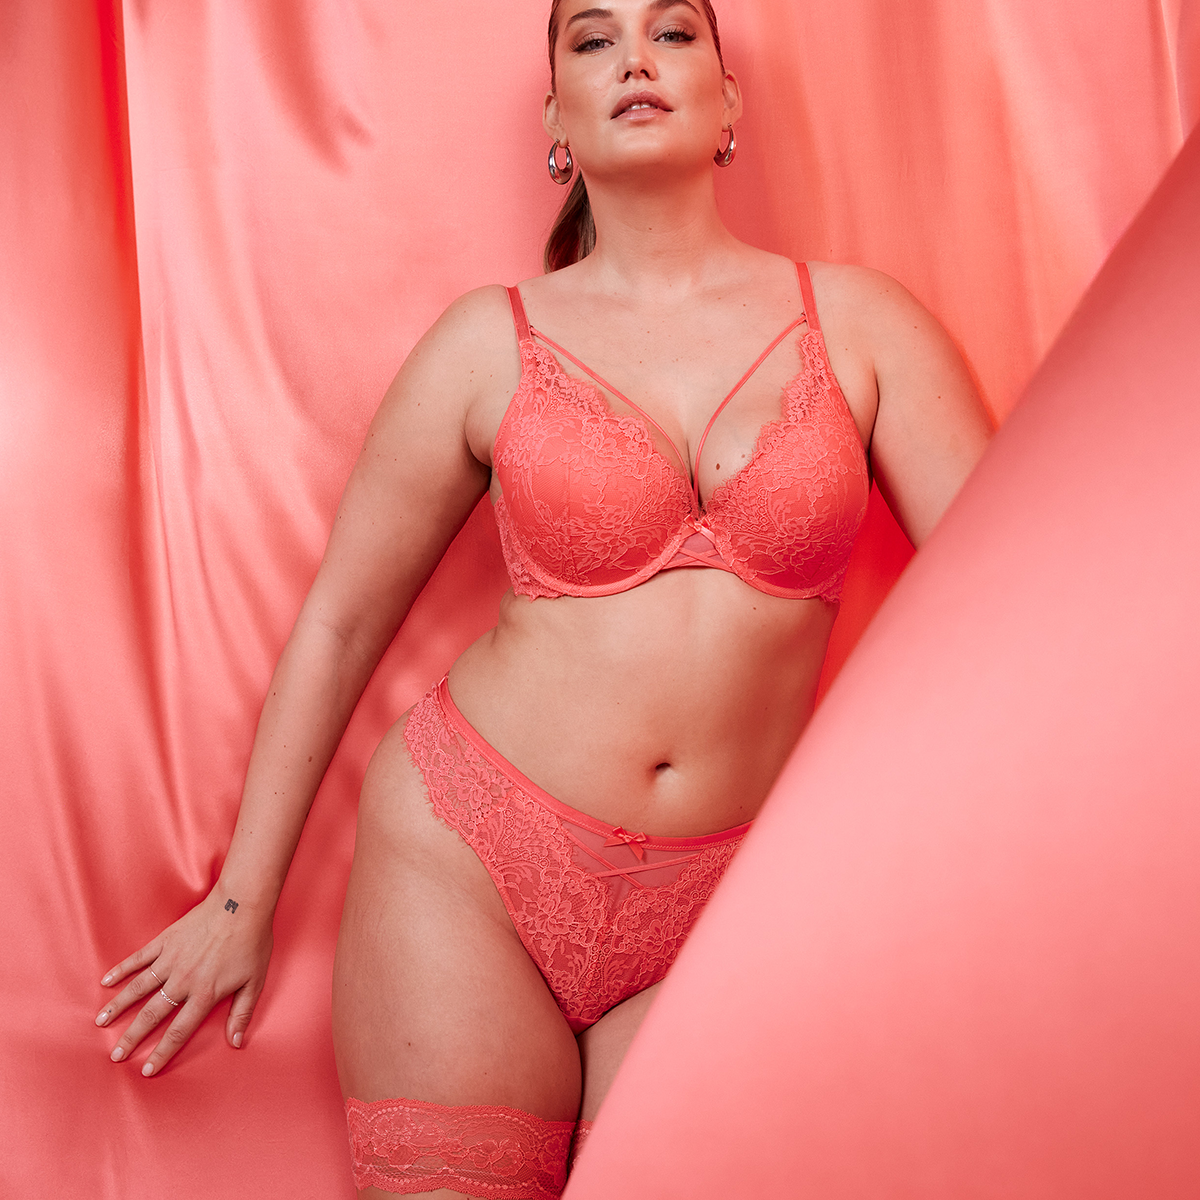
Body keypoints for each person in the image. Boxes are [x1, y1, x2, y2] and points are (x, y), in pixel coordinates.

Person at [94, 0, 992, 1195]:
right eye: (593, 39)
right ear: (556, 123)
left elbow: (1003, 607)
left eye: (674, 32)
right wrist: (239, 903)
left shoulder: (864, 325)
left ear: (729, 102)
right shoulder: (487, 342)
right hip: (471, 869)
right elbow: (341, 623)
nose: (635, 58)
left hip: (742, 891)